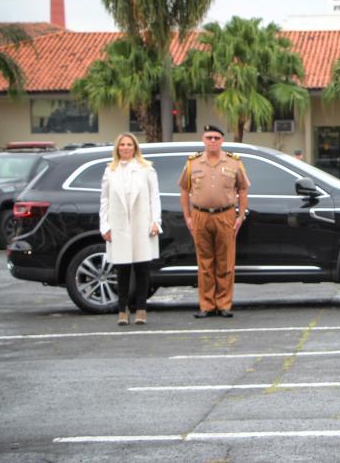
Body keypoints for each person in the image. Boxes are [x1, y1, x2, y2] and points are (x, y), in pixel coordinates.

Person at [178, 125, 250, 318]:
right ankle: (207, 305)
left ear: (222, 140)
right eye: (209, 137)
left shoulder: (234, 162)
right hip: (200, 215)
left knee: (225, 262)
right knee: (205, 263)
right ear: (203, 139)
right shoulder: (193, 163)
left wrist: (240, 216)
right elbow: (184, 190)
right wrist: (187, 217)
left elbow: (243, 189)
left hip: (225, 215)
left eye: (216, 138)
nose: (212, 141)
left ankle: (224, 304)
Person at [99, 133, 161, 326]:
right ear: (117, 148)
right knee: (122, 269)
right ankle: (122, 309)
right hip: (119, 224)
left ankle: (141, 309)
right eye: (122, 145)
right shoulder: (110, 170)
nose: (126, 148)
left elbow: (154, 196)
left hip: (142, 223)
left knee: (142, 268)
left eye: (129, 144)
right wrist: (105, 225)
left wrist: (155, 221)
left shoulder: (146, 168)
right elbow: (104, 200)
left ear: (135, 148)